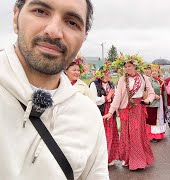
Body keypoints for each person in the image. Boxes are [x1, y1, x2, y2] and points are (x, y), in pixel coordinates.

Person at [0, 0, 109, 179]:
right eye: (40, 11)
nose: (54, 31)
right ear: (16, 17)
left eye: (72, 22)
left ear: (84, 36)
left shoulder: (88, 114)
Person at [104, 54, 155, 170]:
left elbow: (151, 93)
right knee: (126, 134)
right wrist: (111, 112)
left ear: (135, 66)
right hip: (125, 109)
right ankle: (127, 158)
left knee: (137, 134)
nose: (127, 68)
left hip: (139, 108)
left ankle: (139, 160)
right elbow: (117, 97)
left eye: (129, 66)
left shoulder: (143, 78)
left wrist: (148, 100)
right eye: (126, 66)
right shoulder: (122, 79)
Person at [89, 63, 119, 166]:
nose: (108, 75)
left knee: (112, 134)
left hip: (110, 112)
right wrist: (107, 97)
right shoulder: (94, 84)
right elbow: (93, 100)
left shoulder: (111, 83)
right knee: (102, 135)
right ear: (101, 74)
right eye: (106, 73)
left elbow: (114, 98)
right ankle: (100, 160)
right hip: (101, 112)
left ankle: (110, 158)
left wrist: (112, 97)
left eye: (109, 73)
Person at [146, 65, 166, 142]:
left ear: (158, 73)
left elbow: (164, 93)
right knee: (152, 118)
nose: (154, 72)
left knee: (159, 118)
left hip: (160, 102)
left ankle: (158, 135)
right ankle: (152, 135)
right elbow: (146, 91)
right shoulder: (148, 81)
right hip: (152, 102)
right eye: (153, 71)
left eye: (155, 71)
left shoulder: (161, 81)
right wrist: (154, 95)